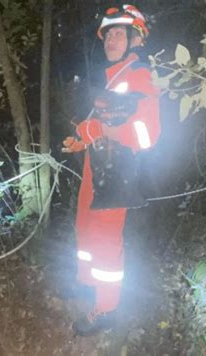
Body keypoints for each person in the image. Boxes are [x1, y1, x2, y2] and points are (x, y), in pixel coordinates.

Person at [62, 4, 161, 336]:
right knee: (84, 228)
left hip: (119, 174)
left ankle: (106, 309)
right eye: (108, 34)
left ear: (136, 40)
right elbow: (103, 120)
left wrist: (100, 131)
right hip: (97, 166)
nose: (111, 40)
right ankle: (87, 282)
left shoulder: (139, 76)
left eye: (119, 33)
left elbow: (148, 135)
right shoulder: (113, 76)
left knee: (105, 240)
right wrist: (82, 138)